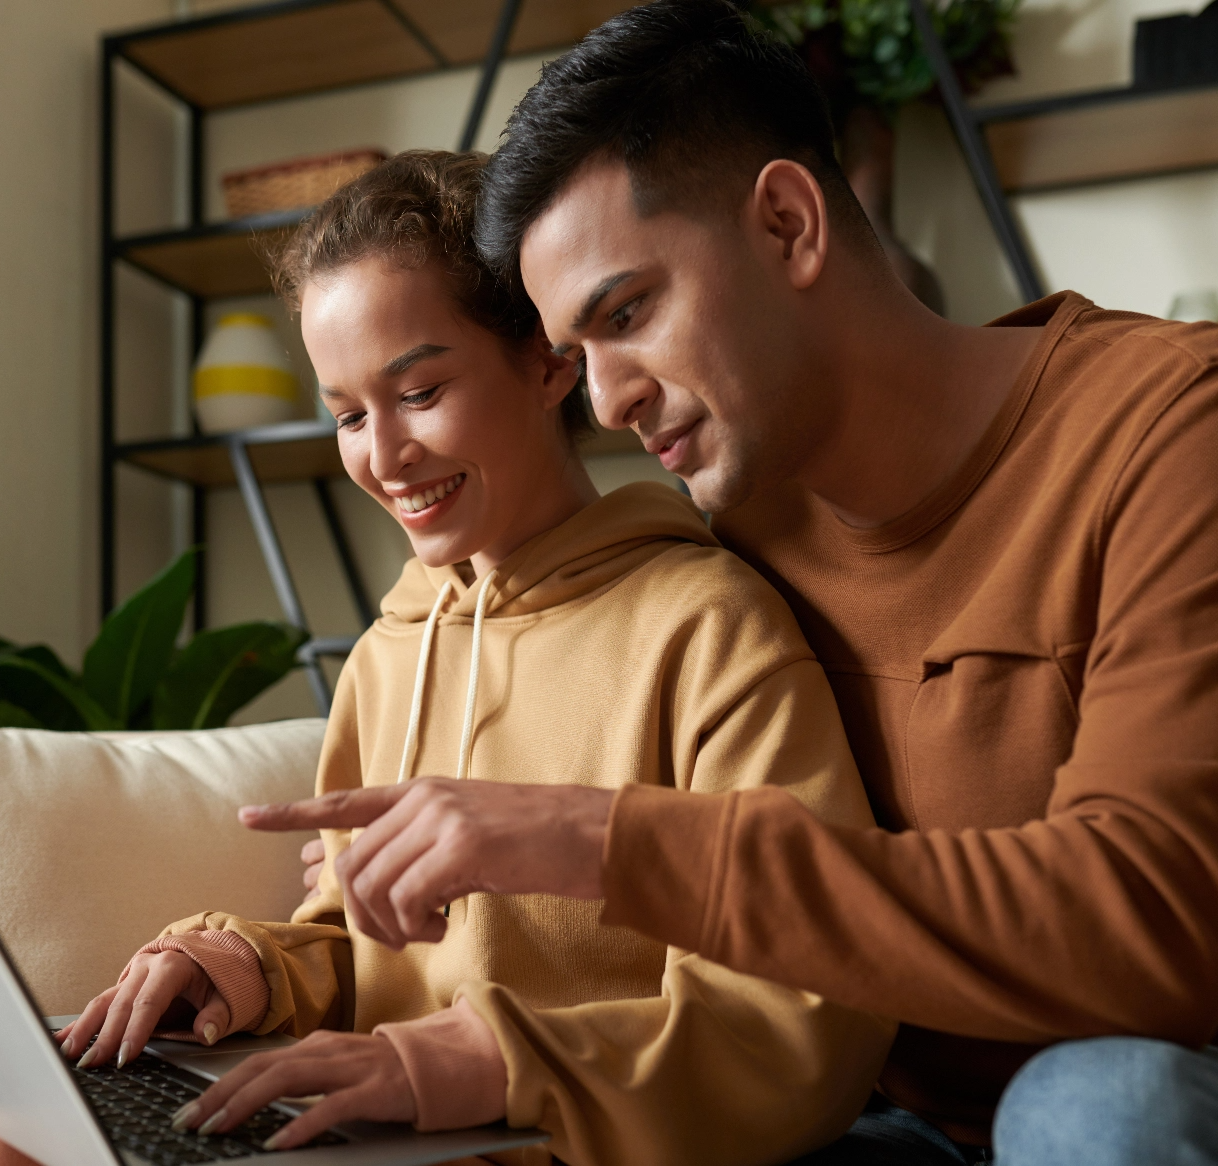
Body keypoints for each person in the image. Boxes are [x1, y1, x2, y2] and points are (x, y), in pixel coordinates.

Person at [255, 4, 1218, 1164]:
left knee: (1094, 1107)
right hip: (870, 1113)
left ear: (787, 222)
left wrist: (598, 839)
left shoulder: (1169, 430)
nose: (605, 400)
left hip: (1135, 1073)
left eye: (628, 313)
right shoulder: (739, 517)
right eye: (581, 347)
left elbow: (1152, 913)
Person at [58, 151, 894, 1165]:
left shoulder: (708, 626)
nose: (385, 453)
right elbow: (375, 947)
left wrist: (492, 1060)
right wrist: (250, 965)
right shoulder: (386, 651)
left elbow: (809, 1007)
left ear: (549, 361)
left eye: (419, 389)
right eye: (349, 413)